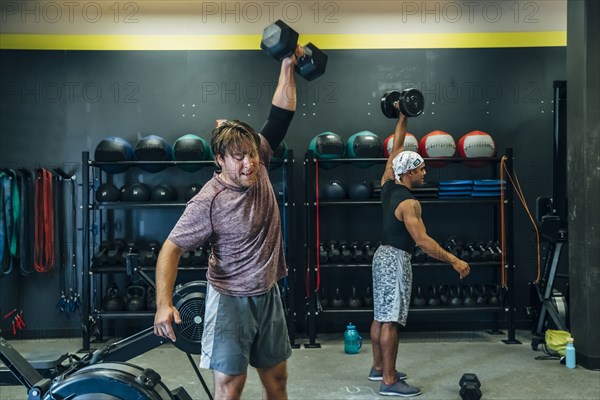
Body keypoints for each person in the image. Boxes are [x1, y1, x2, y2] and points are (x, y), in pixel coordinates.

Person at [153, 47, 303, 400]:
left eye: (252, 154)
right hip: (230, 300)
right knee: (231, 387)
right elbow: (170, 248)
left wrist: (287, 65)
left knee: (278, 379)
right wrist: (163, 303)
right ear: (220, 160)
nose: (249, 164)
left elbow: (281, 113)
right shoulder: (209, 200)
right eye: (239, 158)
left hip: (268, 293)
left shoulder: (260, 162)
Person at [369, 109, 470, 397]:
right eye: (421, 168)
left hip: (380, 257)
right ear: (409, 172)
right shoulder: (409, 203)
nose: (425, 172)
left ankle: (378, 368)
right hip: (396, 260)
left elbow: (395, 151)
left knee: (380, 315)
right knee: (390, 321)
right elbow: (424, 242)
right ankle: (389, 382)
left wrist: (402, 119)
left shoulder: (388, 184)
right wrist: (454, 259)